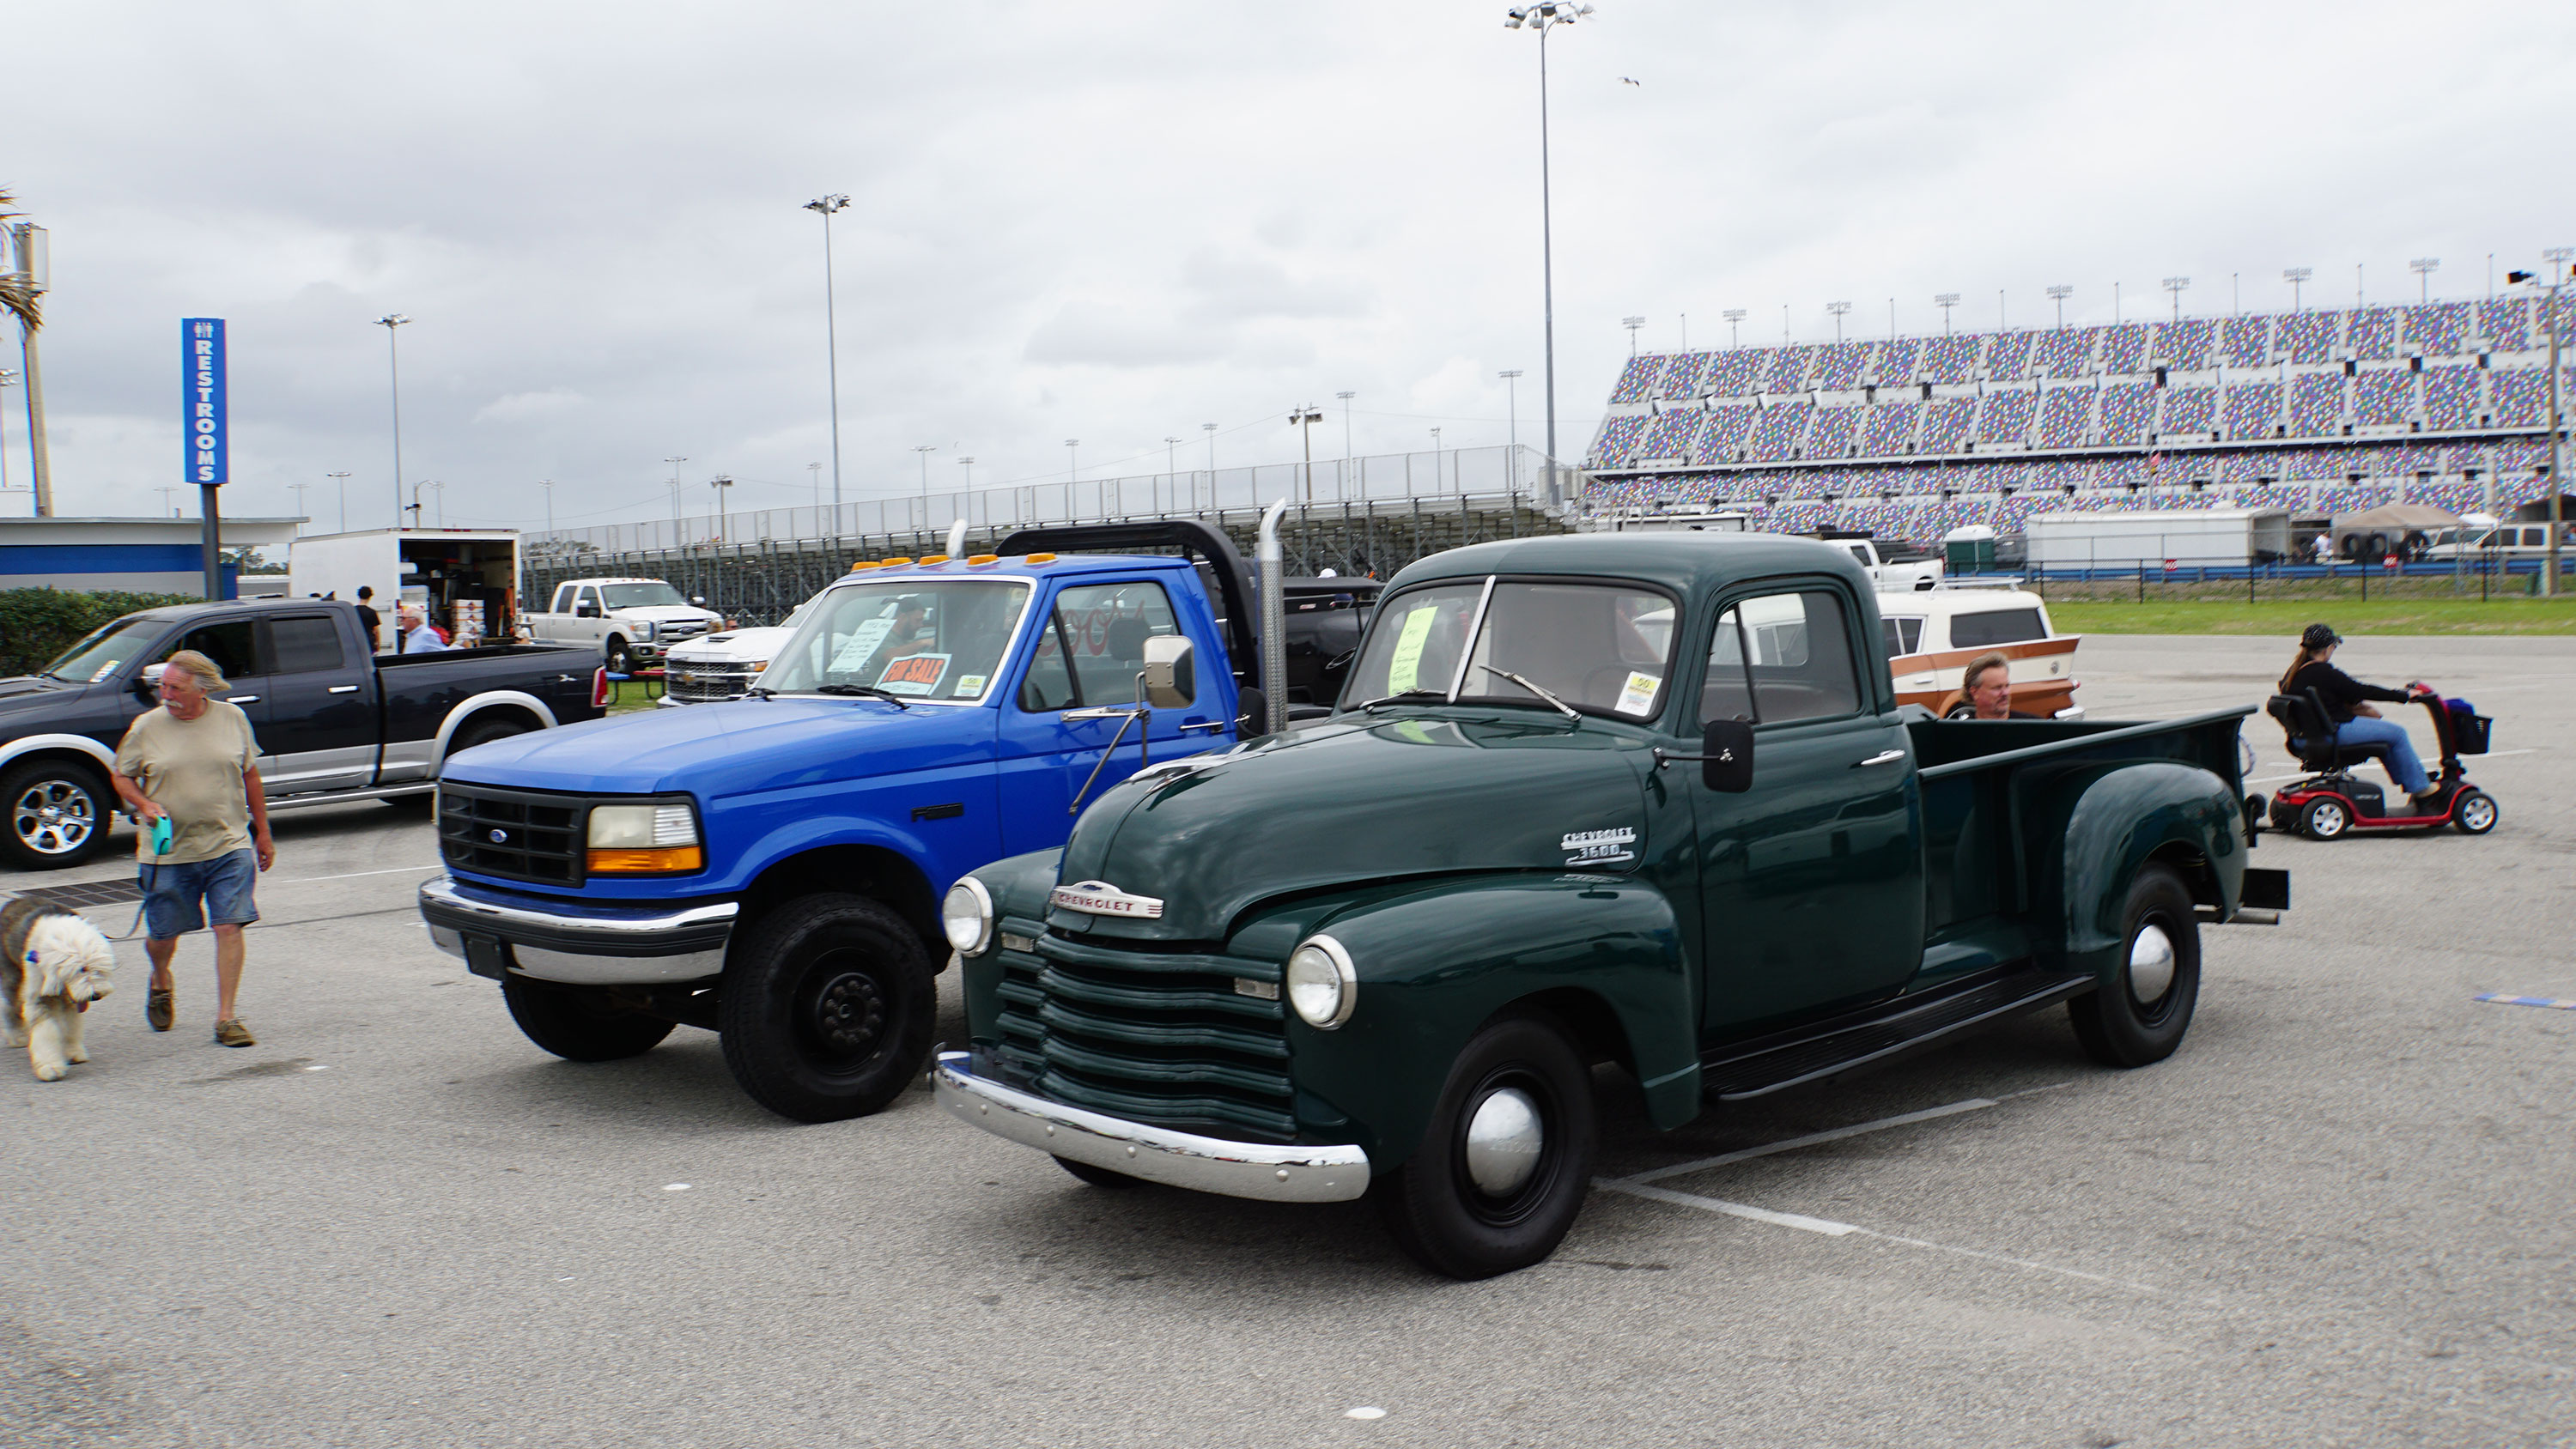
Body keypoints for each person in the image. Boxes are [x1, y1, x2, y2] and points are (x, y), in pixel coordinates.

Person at [110, 650, 274, 1048]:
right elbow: (121, 775)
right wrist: (144, 804)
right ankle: (161, 979)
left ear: (202, 690)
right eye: (162, 686)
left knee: (229, 925)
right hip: (169, 852)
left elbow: (250, 776)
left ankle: (226, 1018)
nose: (166, 695)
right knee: (163, 935)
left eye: (175, 688)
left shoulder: (232, 718)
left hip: (228, 842)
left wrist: (263, 833)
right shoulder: (146, 727)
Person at [2279, 623, 2437, 801]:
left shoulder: (2294, 673)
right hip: (2330, 733)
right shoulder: (2324, 672)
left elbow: (2339, 695)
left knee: (2384, 734)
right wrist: (2404, 695)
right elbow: (2361, 690)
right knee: (2397, 733)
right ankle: (2421, 788)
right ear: (2329, 647)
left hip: (2304, 738)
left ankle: (2413, 778)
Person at [1960, 652, 2039, 719]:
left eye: (2007, 686)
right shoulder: (1961, 730)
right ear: (1974, 692)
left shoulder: (2034, 727)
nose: (2005, 693)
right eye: (1997, 688)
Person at [354, 585, 382, 652]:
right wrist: (378, 645)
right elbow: (376, 631)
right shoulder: (372, 612)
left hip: (355, 642)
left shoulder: (352, 610)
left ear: (359, 596)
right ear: (370, 597)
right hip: (368, 643)